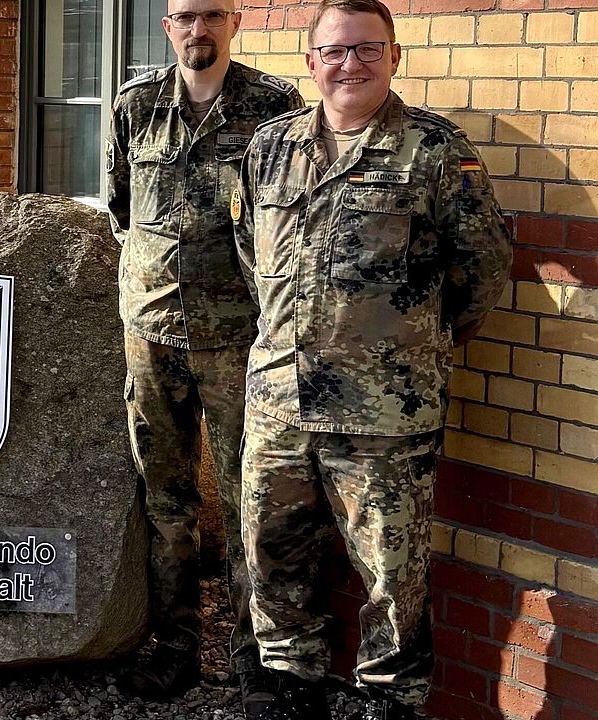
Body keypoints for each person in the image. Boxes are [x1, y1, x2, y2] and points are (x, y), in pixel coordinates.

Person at [232, 1, 511, 718]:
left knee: (392, 575)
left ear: (394, 56)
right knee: (272, 554)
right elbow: (251, 259)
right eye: (333, 50)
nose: (349, 64)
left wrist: (412, 344)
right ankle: (288, 684)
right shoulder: (270, 147)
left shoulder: (435, 151)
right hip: (279, 401)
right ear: (311, 62)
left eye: (366, 49)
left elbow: (481, 268)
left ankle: (389, 699)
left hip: (385, 412)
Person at [104, 0, 304, 712]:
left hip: (239, 340)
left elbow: (289, 215)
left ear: (235, 23)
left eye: (213, 15)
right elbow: (121, 207)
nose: (199, 29)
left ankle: (256, 663)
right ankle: (176, 648)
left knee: (253, 499)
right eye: (185, 16)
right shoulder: (136, 105)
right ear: (168, 27)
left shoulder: (275, 106)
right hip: (152, 333)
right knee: (166, 500)